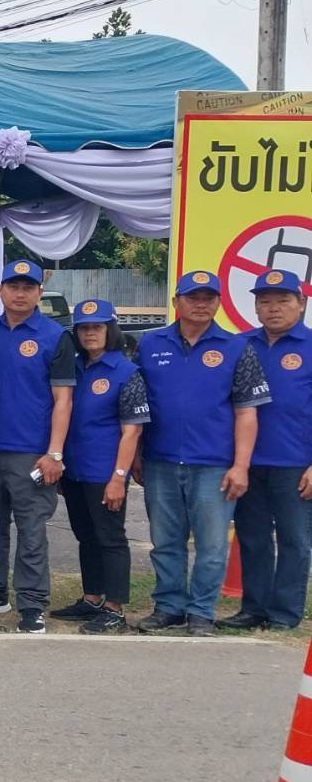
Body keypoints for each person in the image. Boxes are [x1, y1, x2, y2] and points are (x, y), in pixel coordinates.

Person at [135, 271, 270, 636]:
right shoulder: (150, 344)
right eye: (192, 297)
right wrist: (135, 455)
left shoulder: (237, 347)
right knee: (165, 542)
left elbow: (247, 412)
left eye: (208, 298)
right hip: (160, 460)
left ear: (218, 303)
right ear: (176, 302)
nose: (200, 304)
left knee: (211, 545)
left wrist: (241, 465)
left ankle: (201, 612)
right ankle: (169, 606)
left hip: (215, 465)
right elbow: (134, 406)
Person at [0, 260, 76, 634]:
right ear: (0, 291)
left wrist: (55, 452)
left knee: (31, 532)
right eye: (13, 286)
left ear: (39, 293)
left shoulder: (55, 336)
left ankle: (32, 604)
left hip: (33, 453)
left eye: (28, 287)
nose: (20, 293)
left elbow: (63, 400)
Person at [49, 300, 150, 636]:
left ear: (111, 330)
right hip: (75, 471)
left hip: (105, 472)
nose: (90, 333)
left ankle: (114, 610)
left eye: (97, 327)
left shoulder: (126, 372)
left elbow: (131, 431)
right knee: (86, 536)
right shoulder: (74, 368)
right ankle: (92, 598)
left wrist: (119, 477)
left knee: (111, 539)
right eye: (83, 327)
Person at [223, 270, 311, 631]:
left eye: (282, 300)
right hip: (247, 462)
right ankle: (254, 608)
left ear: (301, 303)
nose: (273, 308)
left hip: (296, 463)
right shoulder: (239, 345)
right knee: (252, 538)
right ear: (256, 307)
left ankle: (285, 614)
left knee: (295, 541)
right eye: (265, 301)